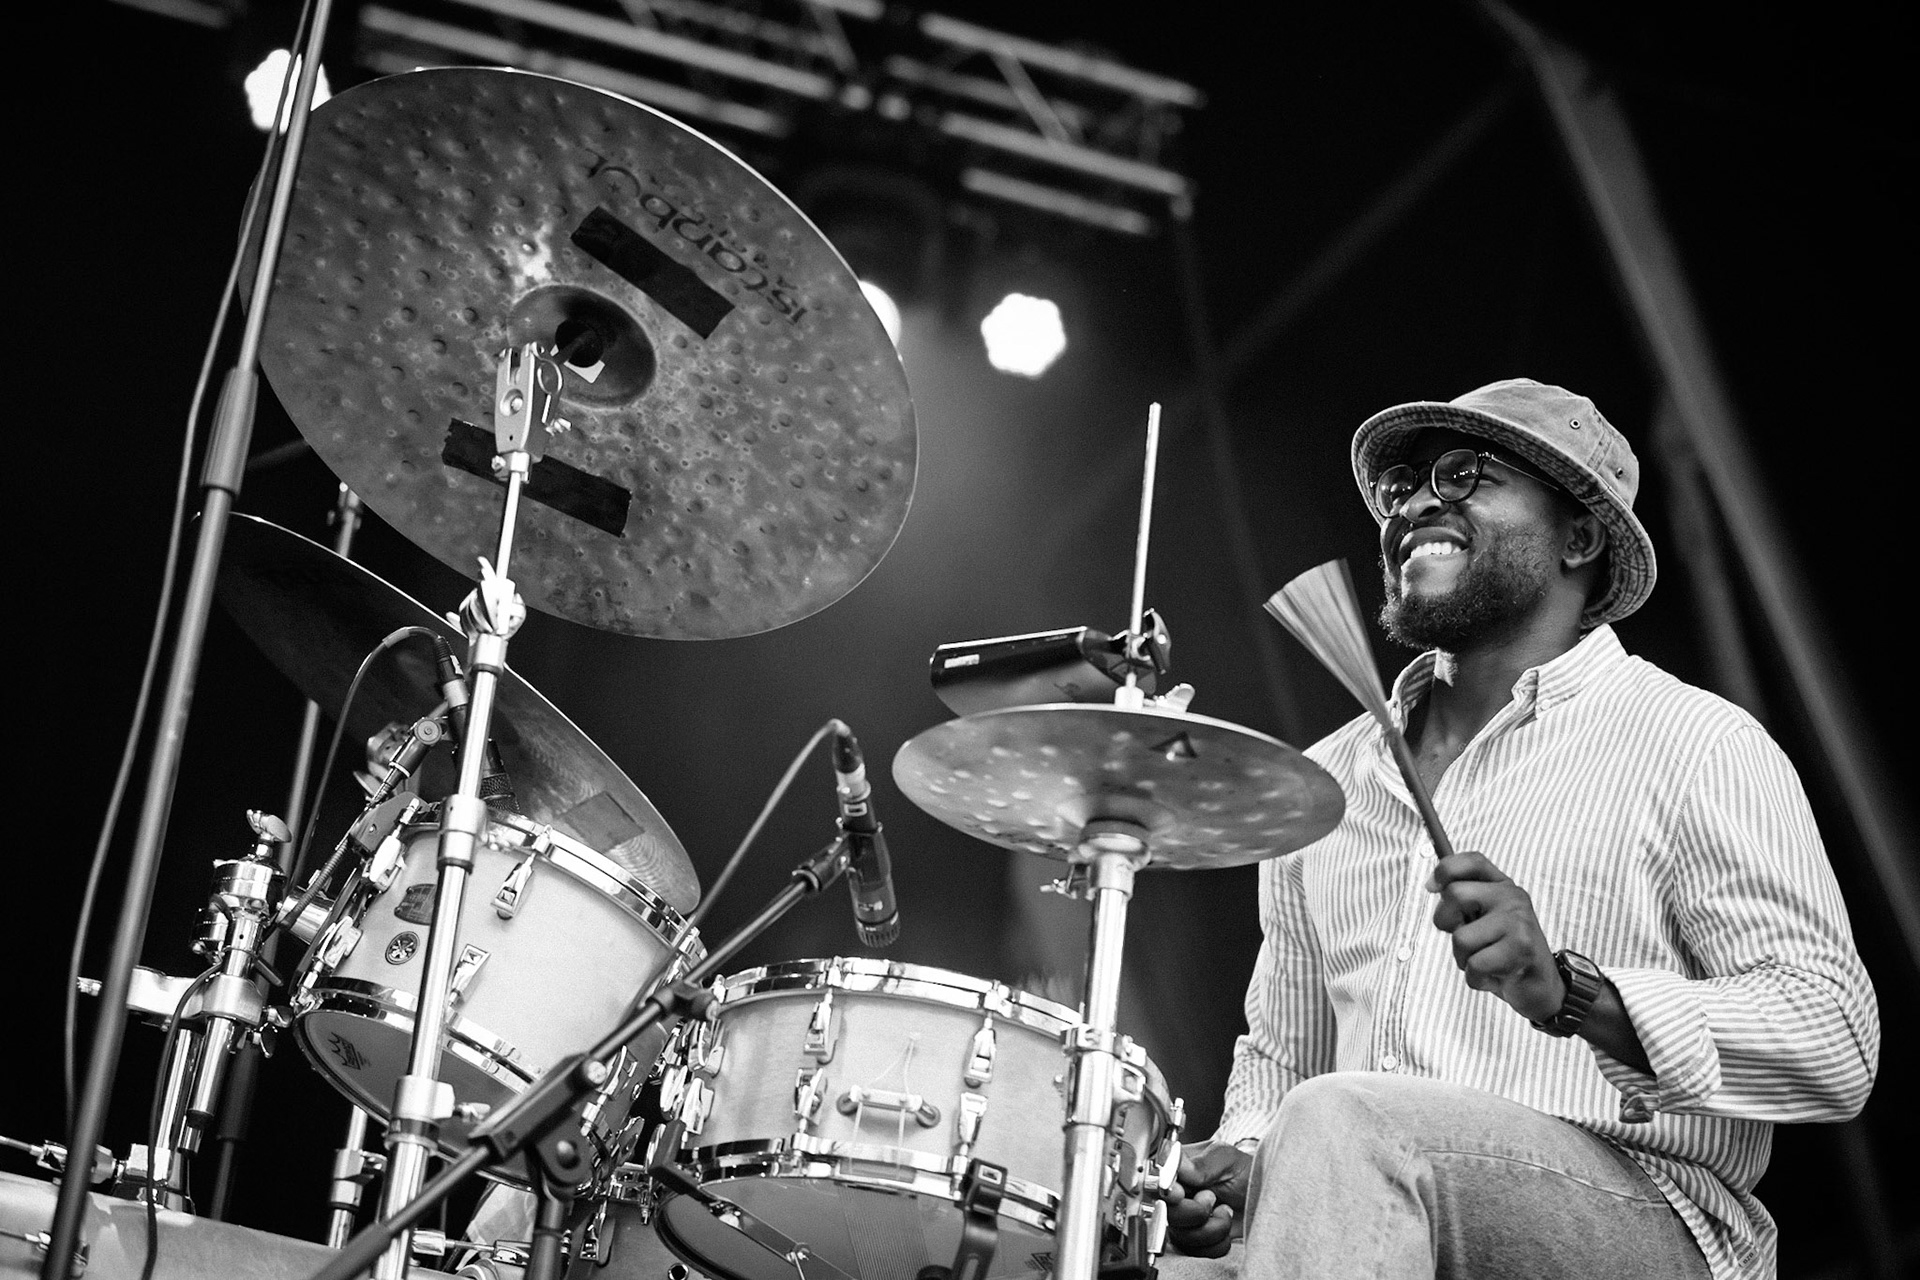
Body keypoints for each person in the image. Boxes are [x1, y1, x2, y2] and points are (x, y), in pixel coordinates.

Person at [1159, 379, 1879, 1280]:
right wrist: (1245, 1160)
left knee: (1347, 1124)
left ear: (1580, 536)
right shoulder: (1331, 779)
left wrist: (1576, 994)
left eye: (1464, 474)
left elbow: (1835, 1040)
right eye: (1402, 487)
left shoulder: (1695, 741)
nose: (1417, 501)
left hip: (1649, 1221)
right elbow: (1282, 1061)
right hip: (1375, 1195)